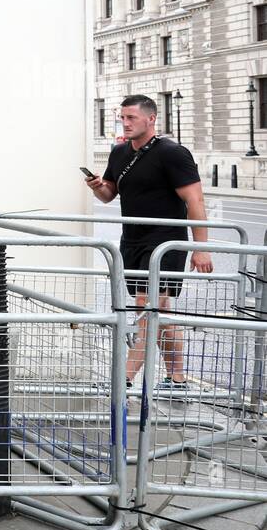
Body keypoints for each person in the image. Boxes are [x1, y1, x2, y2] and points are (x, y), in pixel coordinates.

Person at [85, 95, 213, 389]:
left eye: (131, 117)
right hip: (132, 240)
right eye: (123, 117)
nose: (124, 122)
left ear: (151, 118)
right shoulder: (119, 153)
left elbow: (195, 199)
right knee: (160, 311)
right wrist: (98, 187)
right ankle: (178, 377)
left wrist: (200, 248)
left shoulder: (172, 153)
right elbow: (109, 194)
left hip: (165, 241)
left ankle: (123, 379)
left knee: (147, 308)